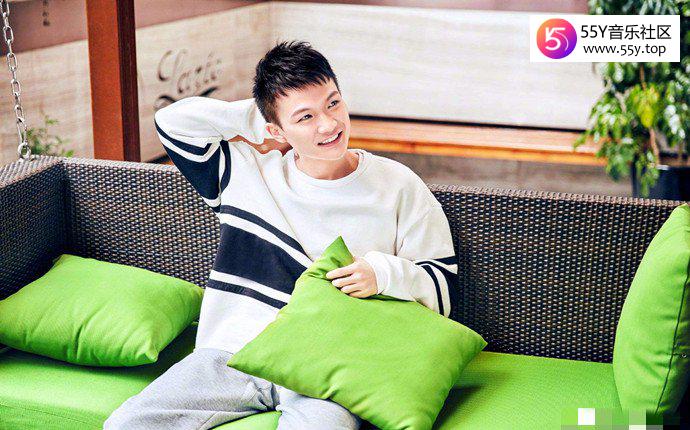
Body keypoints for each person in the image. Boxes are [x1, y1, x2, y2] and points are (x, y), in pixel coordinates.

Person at [104, 40, 457, 430]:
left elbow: (442, 286)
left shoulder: (398, 185)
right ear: (274, 128)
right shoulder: (244, 174)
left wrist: (382, 275)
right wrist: (256, 117)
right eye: (305, 117)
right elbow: (172, 123)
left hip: (327, 368)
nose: (329, 124)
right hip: (233, 354)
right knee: (126, 424)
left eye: (333, 103)